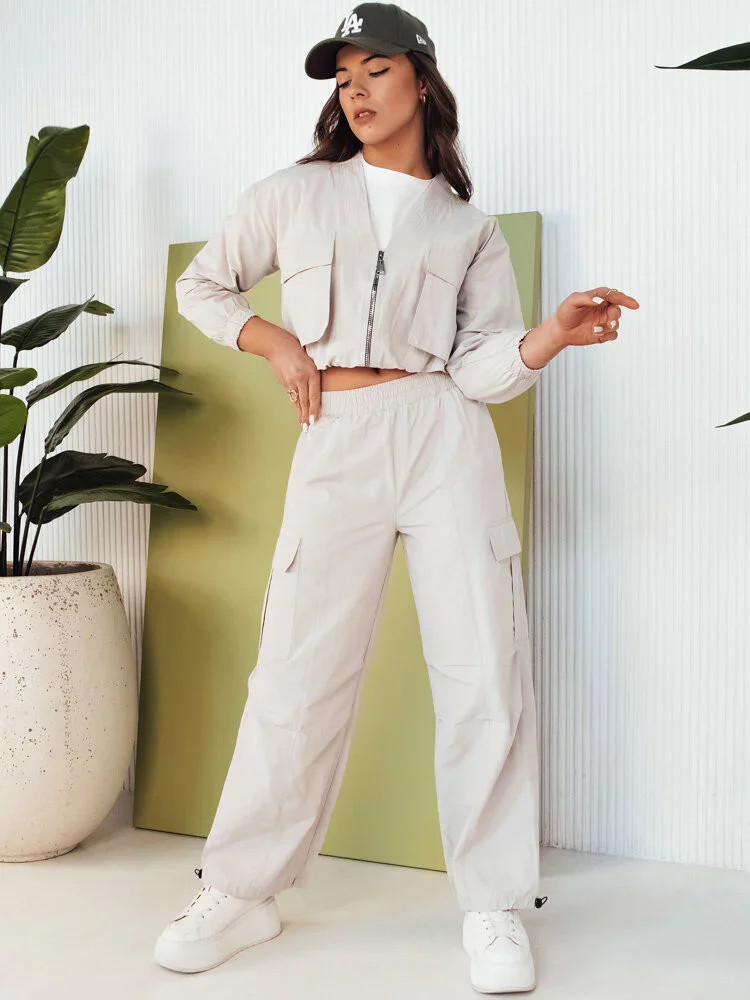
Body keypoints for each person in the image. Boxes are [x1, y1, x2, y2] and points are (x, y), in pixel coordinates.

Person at [155, 2, 639, 990]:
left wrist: (548, 335)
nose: (357, 91)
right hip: (336, 432)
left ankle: (494, 906)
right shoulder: (293, 193)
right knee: (297, 669)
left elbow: (482, 368)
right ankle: (241, 891)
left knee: (483, 668)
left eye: (376, 70)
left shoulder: (468, 227)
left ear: (421, 78)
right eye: (344, 78)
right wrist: (275, 341)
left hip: (442, 432)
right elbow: (204, 286)